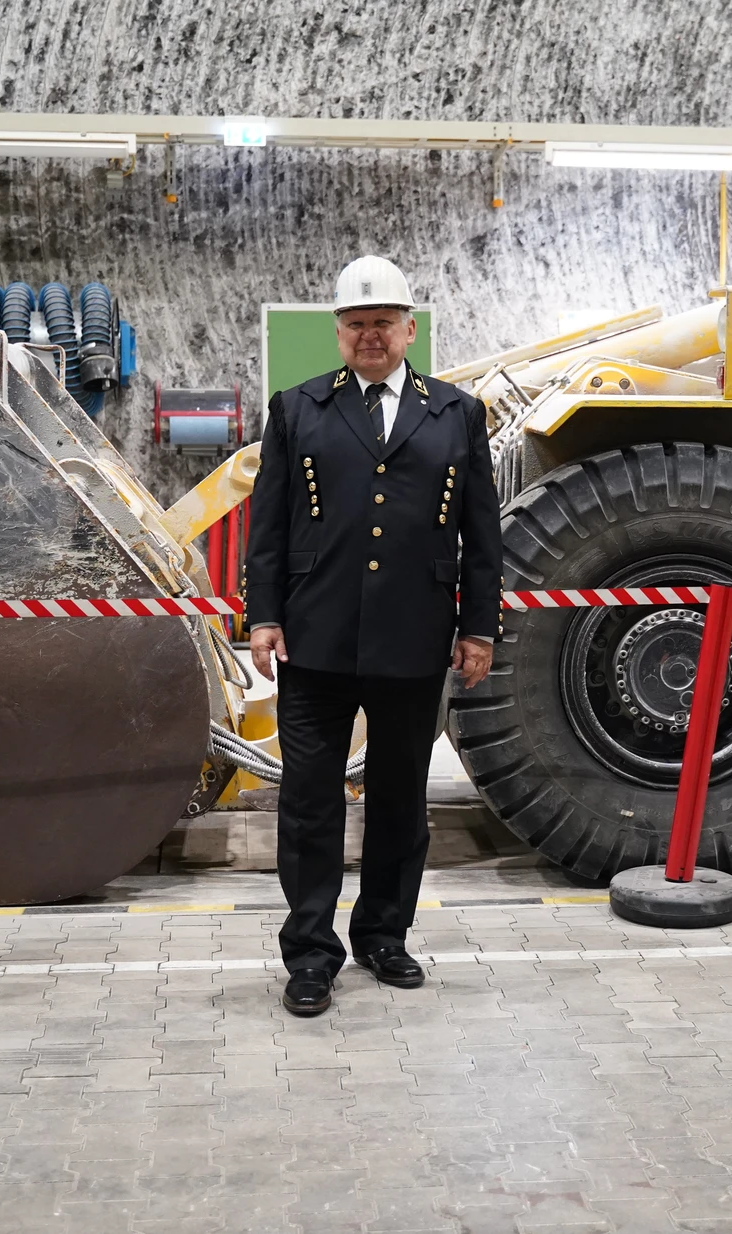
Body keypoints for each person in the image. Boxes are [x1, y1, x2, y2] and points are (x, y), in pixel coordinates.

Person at [245, 256, 503, 1017]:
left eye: (383, 322)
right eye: (356, 323)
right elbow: (269, 525)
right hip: (315, 640)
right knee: (311, 802)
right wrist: (264, 614)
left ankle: (385, 935)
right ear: (338, 331)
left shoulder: (455, 414)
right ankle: (312, 952)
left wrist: (478, 628)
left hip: (414, 640)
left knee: (399, 800)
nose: (370, 335)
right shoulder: (298, 409)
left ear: (408, 330)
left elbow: (481, 536)